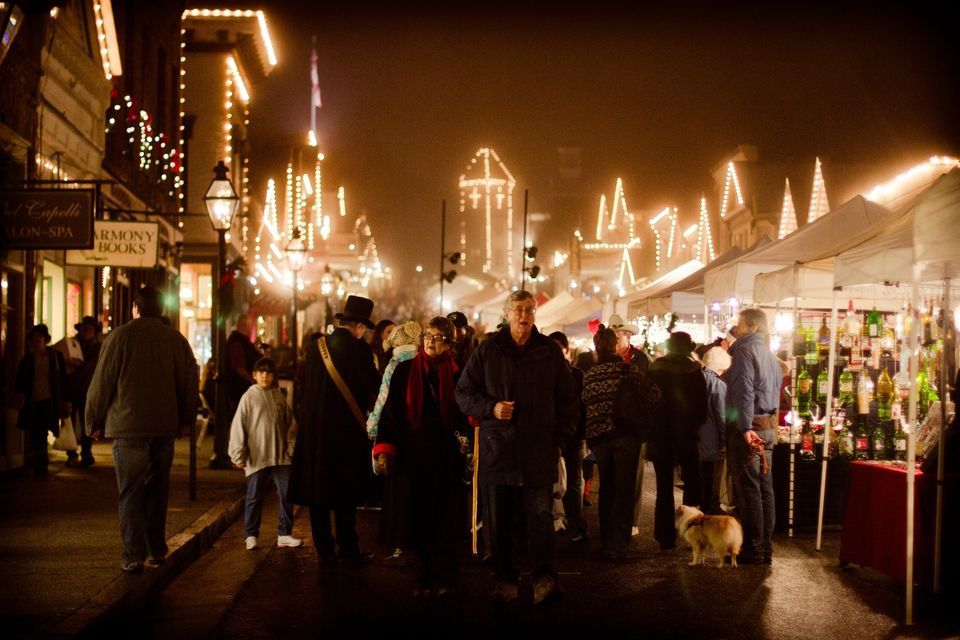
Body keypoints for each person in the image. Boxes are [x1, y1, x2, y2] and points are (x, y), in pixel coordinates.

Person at [456, 290, 578, 606]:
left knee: (540, 520)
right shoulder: (488, 350)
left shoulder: (549, 351)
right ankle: (504, 579)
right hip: (500, 450)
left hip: (539, 451)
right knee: (499, 521)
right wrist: (491, 408)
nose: (524, 316)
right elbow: (464, 393)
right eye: (518, 310)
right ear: (508, 313)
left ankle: (544, 579)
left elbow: (569, 401)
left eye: (529, 310)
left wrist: (560, 441)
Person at [85, 286, 198, 573]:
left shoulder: (119, 337)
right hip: (163, 426)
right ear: (161, 309)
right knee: (157, 489)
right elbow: (188, 381)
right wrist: (185, 419)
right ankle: (156, 550)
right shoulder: (176, 340)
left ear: (136, 307)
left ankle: (133, 555)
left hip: (127, 426)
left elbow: (102, 382)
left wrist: (93, 420)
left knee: (130, 492)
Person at [373, 316, 468, 598]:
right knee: (419, 521)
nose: (430, 340)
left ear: (450, 343)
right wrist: (385, 450)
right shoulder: (405, 371)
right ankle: (424, 578)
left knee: (446, 522)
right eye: (428, 335)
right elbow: (390, 415)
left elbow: (465, 414)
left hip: (446, 459)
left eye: (438, 337)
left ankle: (447, 579)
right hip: (413, 459)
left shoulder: (458, 374)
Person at [288, 295, 381, 563]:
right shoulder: (361, 351)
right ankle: (348, 547)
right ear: (360, 327)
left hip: (315, 431)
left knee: (319, 493)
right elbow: (371, 388)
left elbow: (304, 385)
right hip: (345, 432)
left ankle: (324, 549)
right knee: (345, 493)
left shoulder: (316, 347)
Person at [582, 326, 661, 560]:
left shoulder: (590, 374)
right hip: (625, 435)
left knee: (606, 487)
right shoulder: (627, 370)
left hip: (598, 438)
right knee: (624, 489)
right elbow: (654, 394)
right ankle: (617, 544)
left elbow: (585, 400)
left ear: (597, 348)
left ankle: (607, 537)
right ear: (615, 346)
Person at [725, 308, 782, 565]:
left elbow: (743, 392)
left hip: (752, 429)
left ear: (753, 327)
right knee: (764, 488)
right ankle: (765, 548)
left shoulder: (744, 352)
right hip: (767, 426)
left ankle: (754, 549)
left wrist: (745, 427)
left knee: (749, 489)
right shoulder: (770, 355)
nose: (736, 328)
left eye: (740, 323)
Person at [229, 357, 301, 551]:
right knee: (254, 497)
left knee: (287, 495)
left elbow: (291, 425)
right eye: (261, 372)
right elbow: (238, 426)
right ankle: (251, 535)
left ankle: (284, 534)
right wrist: (238, 454)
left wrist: (291, 446)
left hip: (281, 456)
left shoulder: (278, 396)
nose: (265, 376)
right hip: (257, 456)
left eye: (269, 372)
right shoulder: (248, 397)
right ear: (254, 375)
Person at [366, 320, 423, 562]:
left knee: (399, 490)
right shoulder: (422, 363)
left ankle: (401, 542)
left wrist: (373, 427)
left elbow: (383, 400)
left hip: (398, 435)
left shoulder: (395, 365)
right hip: (419, 437)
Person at [648, 331, 708, 550]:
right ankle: (691, 533)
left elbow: (649, 399)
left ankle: (665, 536)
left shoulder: (655, 368)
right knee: (692, 483)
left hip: (661, 434)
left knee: (663, 486)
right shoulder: (694, 371)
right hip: (687, 435)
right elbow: (703, 408)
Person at [548, 331, 588, 542]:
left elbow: (581, 407)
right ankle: (551, 522)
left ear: (566, 350)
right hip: (550, 436)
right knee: (547, 481)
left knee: (573, 482)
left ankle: (575, 525)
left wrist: (581, 434)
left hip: (573, 436)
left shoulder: (577, 375)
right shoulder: (542, 374)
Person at [15, 324, 69, 476]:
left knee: (43, 431)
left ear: (45, 339)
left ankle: (41, 463)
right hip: (33, 401)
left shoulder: (55, 356)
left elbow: (63, 379)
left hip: (49, 401)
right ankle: (39, 463)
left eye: (40, 337)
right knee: (35, 433)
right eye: (35, 338)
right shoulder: (28, 358)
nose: (37, 340)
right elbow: (20, 379)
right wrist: (20, 395)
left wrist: (65, 400)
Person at [212, 314, 259, 469]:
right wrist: (253, 382)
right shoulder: (237, 342)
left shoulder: (240, 340)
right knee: (241, 421)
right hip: (241, 388)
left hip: (242, 387)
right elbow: (239, 367)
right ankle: (237, 455)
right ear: (244, 324)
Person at [55, 316, 101, 467]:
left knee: (87, 423)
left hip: (88, 389)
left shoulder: (97, 347)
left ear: (94, 331)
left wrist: (79, 365)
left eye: (90, 329)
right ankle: (71, 453)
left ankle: (86, 453)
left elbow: (94, 366)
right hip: (71, 388)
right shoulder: (72, 344)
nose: (86, 331)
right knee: (70, 422)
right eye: (84, 328)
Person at [699, 346, 731, 514]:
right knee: (712, 481)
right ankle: (711, 512)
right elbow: (722, 415)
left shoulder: (697, 379)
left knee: (699, 480)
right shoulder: (718, 384)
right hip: (712, 443)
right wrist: (726, 439)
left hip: (697, 440)